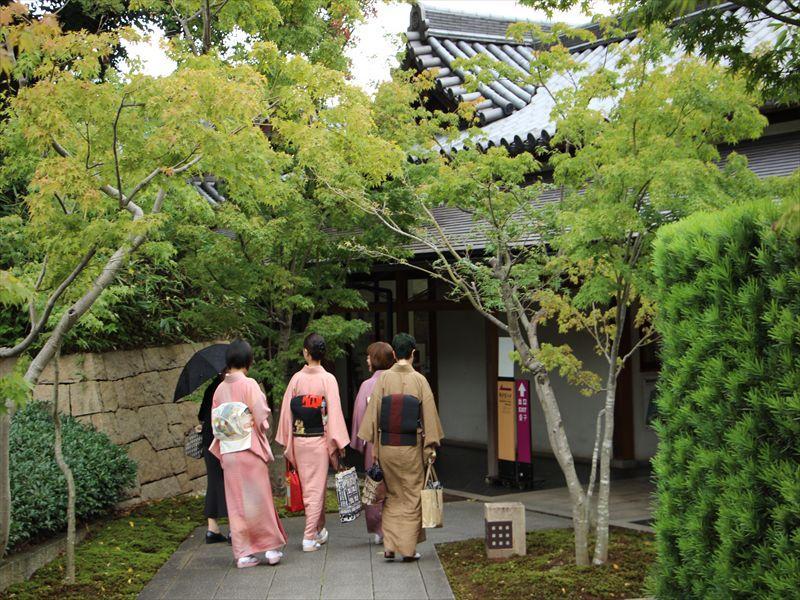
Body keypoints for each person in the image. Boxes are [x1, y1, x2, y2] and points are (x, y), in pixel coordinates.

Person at [357, 332, 444, 562]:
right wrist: (430, 445)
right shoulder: (419, 380)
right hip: (410, 447)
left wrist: (374, 446)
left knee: (392, 495)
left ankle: (390, 545)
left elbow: (373, 414)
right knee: (412, 496)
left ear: (394, 354)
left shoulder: (384, 379)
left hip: (387, 445)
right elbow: (429, 416)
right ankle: (407, 549)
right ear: (413, 353)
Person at [209, 339, 287, 568]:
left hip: (229, 452)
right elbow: (261, 415)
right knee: (259, 499)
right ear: (248, 361)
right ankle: (270, 549)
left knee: (237, 503)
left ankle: (243, 553)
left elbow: (216, 421)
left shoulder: (220, 389)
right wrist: (260, 427)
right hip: (249, 449)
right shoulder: (249, 384)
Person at [276, 333, 350, 552]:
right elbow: (334, 412)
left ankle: (319, 530)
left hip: (300, 439)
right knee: (314, 490)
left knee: (313, 488)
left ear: (305, 353)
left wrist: (287, 438)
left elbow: (287, 413)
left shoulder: (296, 379)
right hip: (319, 439)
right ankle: (309, 537)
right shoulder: (328, 379)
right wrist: (338, 441)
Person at [350, 341, 395, 544]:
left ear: (376, 359)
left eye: (369, 356)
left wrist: (362, 442)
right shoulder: (397, 382)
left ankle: (379, 529)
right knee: (395, 485)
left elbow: (360, 416)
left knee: (375, 484)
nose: (367, 360)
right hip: (396, 439)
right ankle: (396, 526)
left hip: (374, 442)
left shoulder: (367, 386)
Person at [197, 373, 228, 544]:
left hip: (208, 440)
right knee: (231, 483)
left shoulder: (211, 388)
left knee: (214, 481)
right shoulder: (228, 388)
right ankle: (234, 529)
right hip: (225, 441)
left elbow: (201, 415)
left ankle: (212, 528)